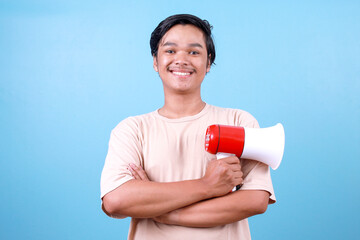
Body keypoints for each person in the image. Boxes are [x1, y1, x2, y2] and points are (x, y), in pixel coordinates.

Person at [100, 14, 276, 240]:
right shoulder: (132, 130)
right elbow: (116, 200)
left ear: (208, 62)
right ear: (155, 61)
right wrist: (207, 186)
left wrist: (163, 213)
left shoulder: (239, 122)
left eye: (194, 52)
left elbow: (255, 200)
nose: (181, 60)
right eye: (170, 51)